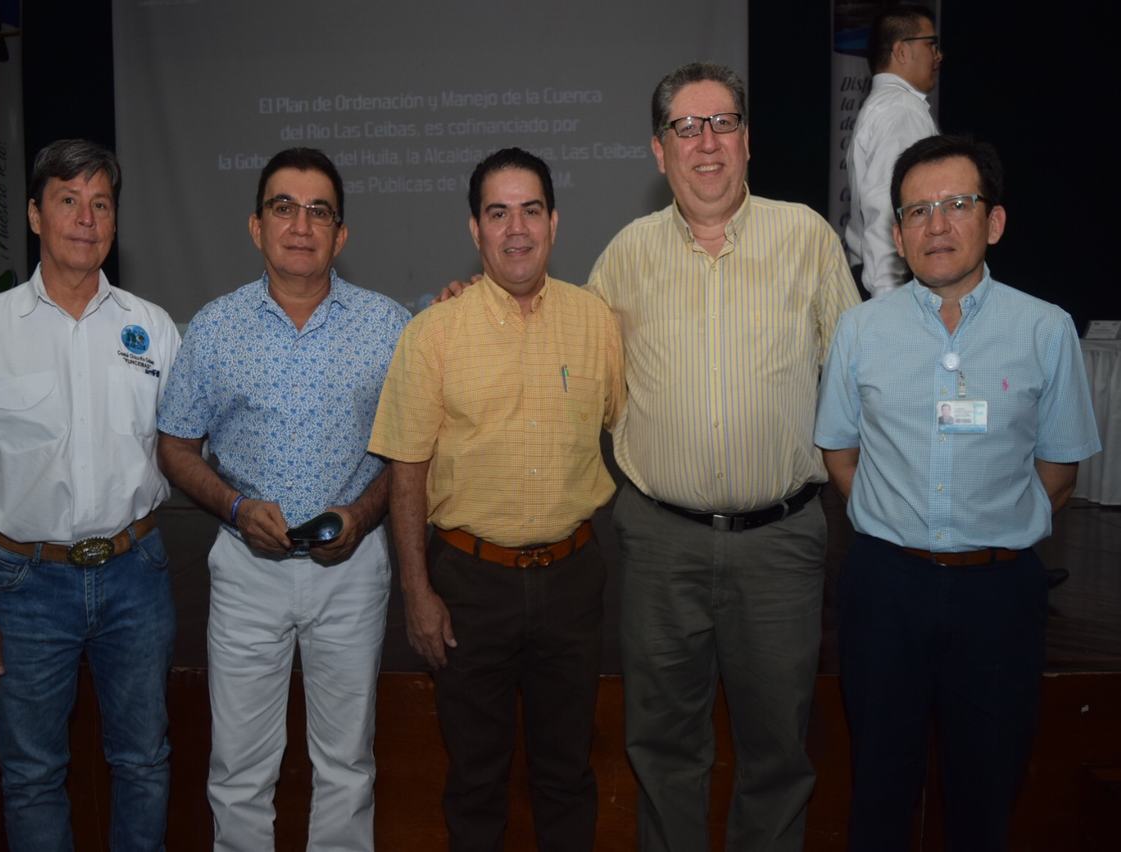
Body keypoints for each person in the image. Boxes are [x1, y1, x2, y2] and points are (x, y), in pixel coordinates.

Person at [589, 62, 860, 851]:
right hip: (659, 542)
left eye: (722, 124)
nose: (706, 143)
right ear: (658, 149)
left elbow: (855, 377)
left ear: (745, 140)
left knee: (777, 748)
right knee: (663, 745)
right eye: (687, 127)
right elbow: (569, 361)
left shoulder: (804, 236)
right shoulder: (626, 255)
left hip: (780, 544)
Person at [815, 134, 1100, 851]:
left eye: (955, 205)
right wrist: (899, 527)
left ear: (992, 221)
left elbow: (1058, 471)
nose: (935, 225)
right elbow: (840, 455)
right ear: (897, 233)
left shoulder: (1045, 330)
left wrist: (987, 530)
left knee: (986, 789)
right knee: (878, 786)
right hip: (885, 591)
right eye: (916, 211)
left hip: (997, 596)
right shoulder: (858, 331)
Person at [369, 147, 625, 852]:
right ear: (475, 230)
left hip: (572, 580)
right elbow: (407, 471)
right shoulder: (432, 334)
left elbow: (625, 425)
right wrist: (417, 593)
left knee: (567, 773)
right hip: (468, 586)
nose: (516, 229)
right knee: (475, 781)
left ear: (554, 222)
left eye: (531, 210)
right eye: (497, 212)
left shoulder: (596, 321)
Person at [156, 147, 409, 851]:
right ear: (256, 227)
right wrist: (235, 510)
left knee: (347, 767)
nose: (301, 225)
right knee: (237, 771)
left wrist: (361, 515)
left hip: (352, 571)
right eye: (283, 208)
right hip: (246, 572)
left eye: (318, 211)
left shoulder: (389, 327)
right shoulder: (212, 327)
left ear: (341, 235)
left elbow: (412, 453)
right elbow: (174, 446)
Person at [0, 139, 179, 850]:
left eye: (101, 203)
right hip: (21, 585)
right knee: (32, 775)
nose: (86, 218)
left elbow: (193, 439)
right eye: (68, 201)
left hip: (136, 577)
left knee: (144, 762)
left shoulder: (154, 328)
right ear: (35, 215)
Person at [845, 5, 942, 299]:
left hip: (882, 281)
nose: (938, 56)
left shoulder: (885, 107)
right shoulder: (900, 111)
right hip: (894, 287)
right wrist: (889, 309)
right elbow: (886, 213)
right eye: (931, 45)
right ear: (901, 51)